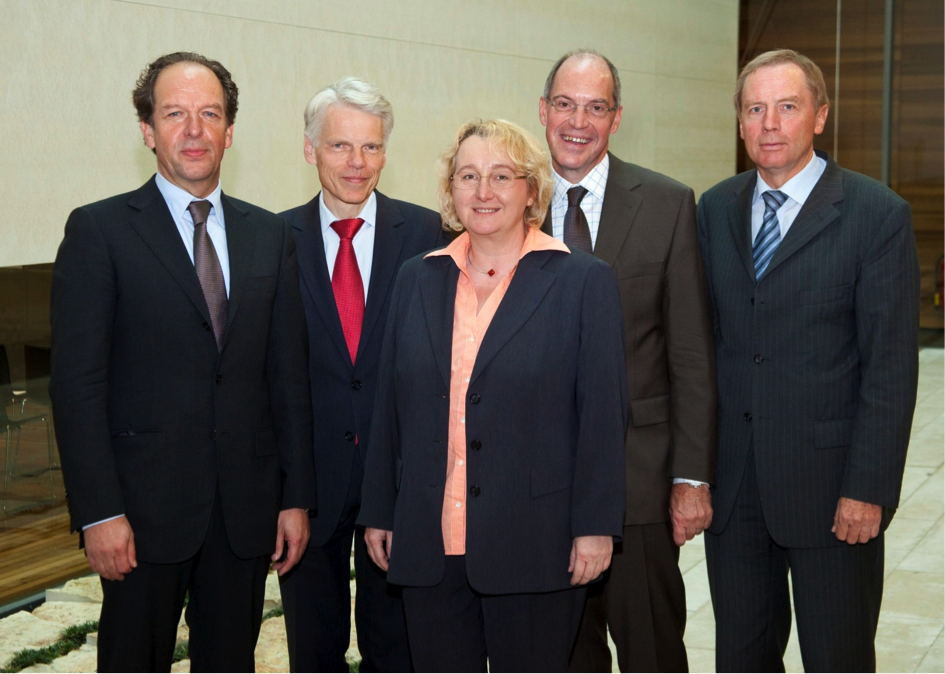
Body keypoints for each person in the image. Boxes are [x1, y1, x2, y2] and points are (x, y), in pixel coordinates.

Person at [49, 52, 316, 673]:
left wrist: (295, 497)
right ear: (147, 131)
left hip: (243, 513)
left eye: (209, 114)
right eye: (175, 114)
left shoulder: (269, 236)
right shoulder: (100, 231)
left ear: (230, 131)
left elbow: (288, 378)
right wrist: (99, 511)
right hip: (140, 515)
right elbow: (77, 386)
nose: (193, 130)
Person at [357, 119, 628, 673]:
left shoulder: (581, 281)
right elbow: (389, 405)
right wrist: (381, 510)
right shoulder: (417, 278)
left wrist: (595, 526)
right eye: (469, 176)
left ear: (532, 189)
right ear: (451, 191)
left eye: (502, 176)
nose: (484, 192)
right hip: (430, 540)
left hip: (537, 542)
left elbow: (602, 413)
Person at [697, 48, 920, 672]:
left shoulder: (877, 215)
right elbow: (703, 346)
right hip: (736, 491)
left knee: (837, 656)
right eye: (755, 109)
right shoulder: (714, 209)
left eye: (787, 107)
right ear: (740, 123)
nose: (770, 123)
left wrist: (868, 489)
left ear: (819, 116)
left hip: (833, 495)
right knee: (740, 656)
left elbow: (891, 369)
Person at [539, 50, 717, 673]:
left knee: (653, 650)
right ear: (543, 111)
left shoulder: (668, 203)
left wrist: (691, 476)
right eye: (565, 104)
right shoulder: (507, 197)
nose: (577, 121)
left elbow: (691, 352)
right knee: (564, 653)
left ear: (617, 119)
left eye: (595, 107)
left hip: (636, 484)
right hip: (540, 485)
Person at [279, 77, 446, 674]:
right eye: (340, 146)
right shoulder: (274, 241)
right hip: (309, 485)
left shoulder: (431, 238)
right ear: (309, 149)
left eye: (371, 147)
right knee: (313, 651)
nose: (357, 163)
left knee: (396, 649)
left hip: (399, 482)